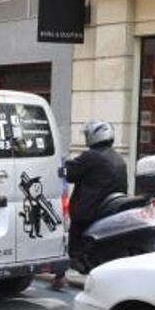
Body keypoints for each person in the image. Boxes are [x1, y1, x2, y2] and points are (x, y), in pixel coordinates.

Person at [52, 120, 128, 290]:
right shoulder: (118, 158)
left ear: (94, 136)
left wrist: (61, 163)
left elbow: (69, 173)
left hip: (89, 211)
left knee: (71, 246)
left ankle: (61, 277)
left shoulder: (91, 156)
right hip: (109, 210)